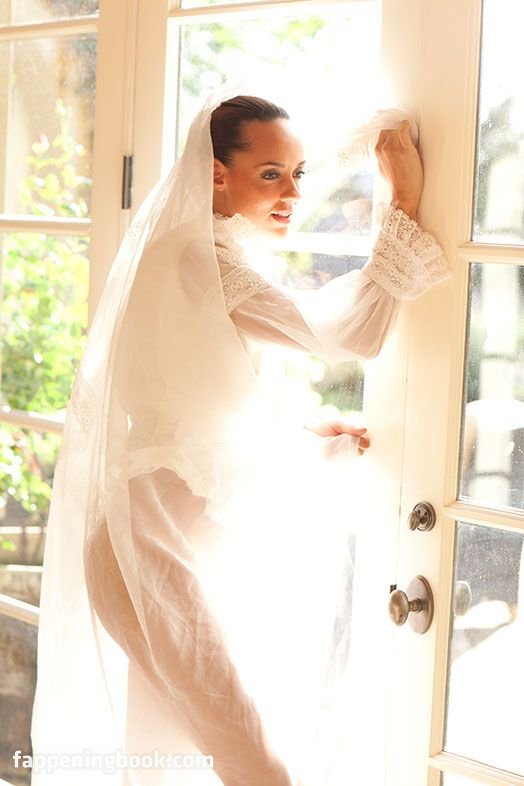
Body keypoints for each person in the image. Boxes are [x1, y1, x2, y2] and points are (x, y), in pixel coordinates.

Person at [30, 83, 451, 786]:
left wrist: (309, 428)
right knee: (255, 762)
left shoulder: (197, 252)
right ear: (217, 173)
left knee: (171, 764)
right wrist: (403, 205)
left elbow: (198, 404)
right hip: (148, 553)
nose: (292, 194)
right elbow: (349, 336)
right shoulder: (201, 259)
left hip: (146, 545)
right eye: (271, 173)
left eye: (298, 174)